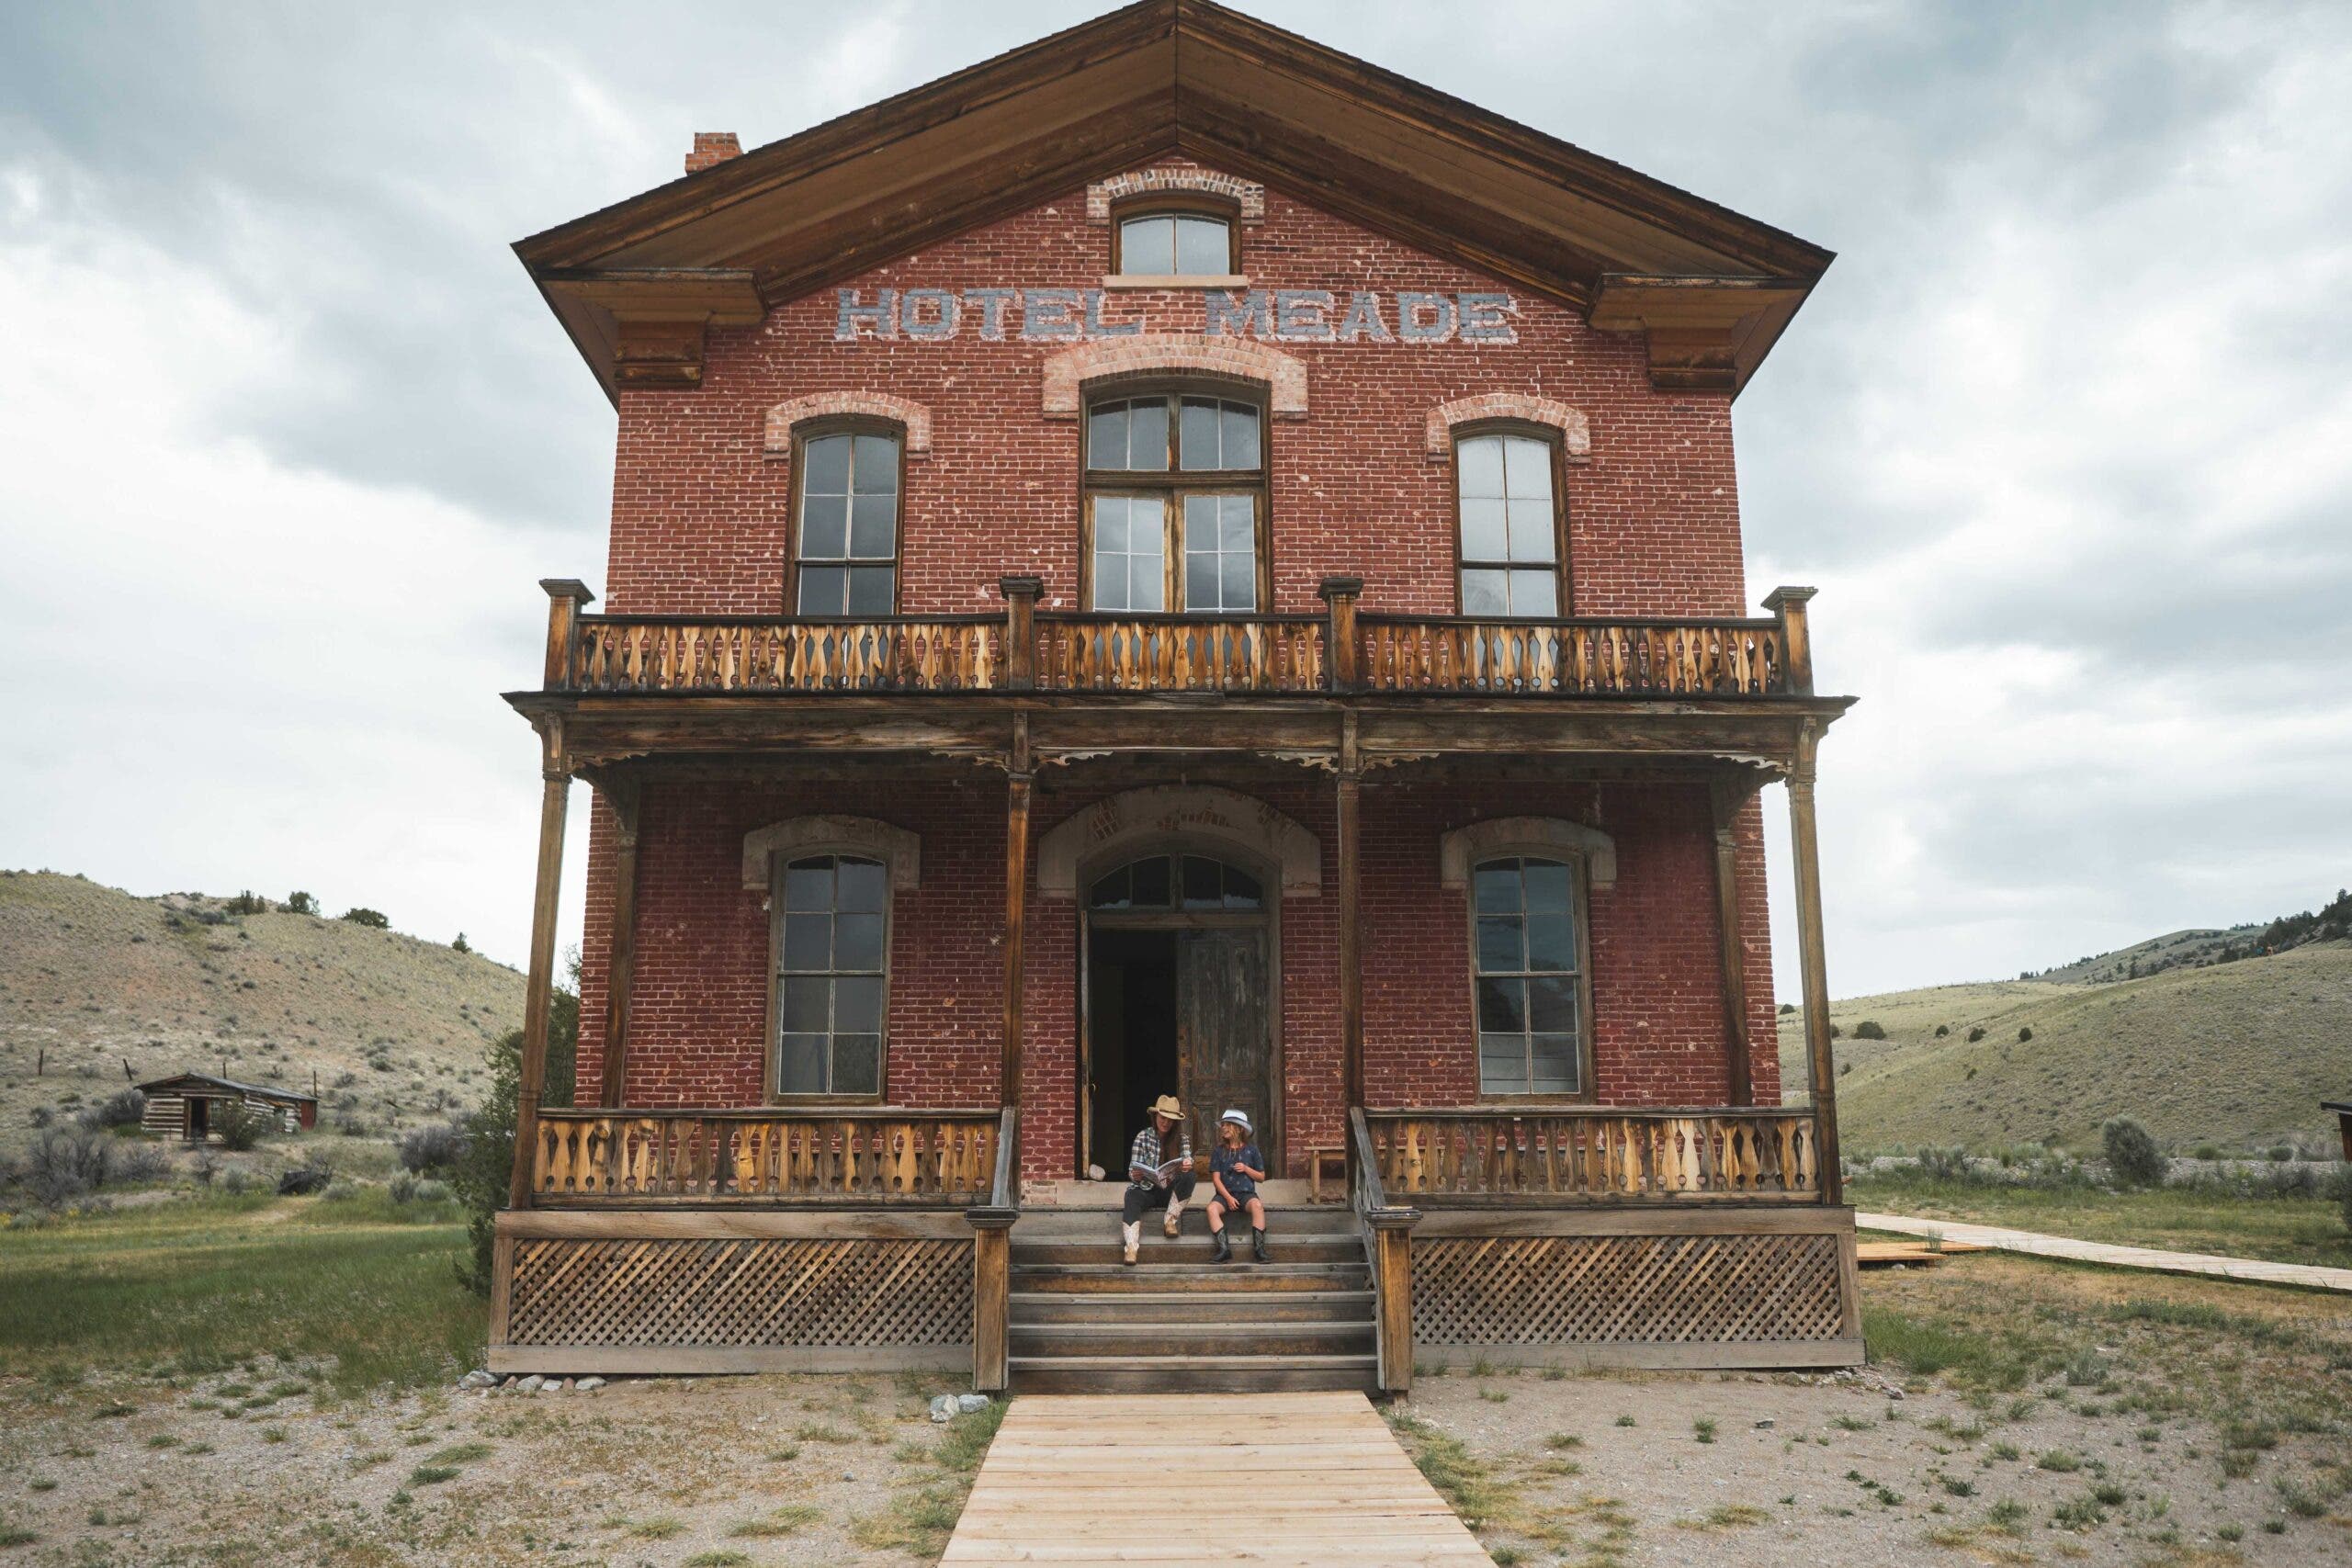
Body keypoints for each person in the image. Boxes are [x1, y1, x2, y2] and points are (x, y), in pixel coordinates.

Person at [1120, 1093, 1194, 1265]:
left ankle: (1170, 1221)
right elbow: (1132, 1170)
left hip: (1170, 1193)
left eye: (1170, 1120)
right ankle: (1131, 1248)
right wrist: (1135, 1175)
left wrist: (1186, 1164)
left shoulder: (1182, 1139)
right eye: (1163, 1118)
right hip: (1147, 1190)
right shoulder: (1142, 1137)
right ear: (1155, 1116)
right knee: (1131, 1195)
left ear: (1175, 1122)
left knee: (1190, 1175)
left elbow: (1187, 1158)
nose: (1166, 1122)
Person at [1206, 1108, 1270, 1263]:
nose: (1224, 1127)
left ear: (1240, 1129)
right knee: (1211, 1209)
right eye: (1223, 1124)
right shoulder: (1218, 1151)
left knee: (1257, 1206)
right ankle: (1224, 1249)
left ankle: (1259, 1250)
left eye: (1229, 1124)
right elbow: (1216, 1179)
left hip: (1246, 1195)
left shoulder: (1252, 1150)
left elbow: (1261, 1177)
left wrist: (1247, 1169)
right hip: (1224, 1195)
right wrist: (1228, 1198)